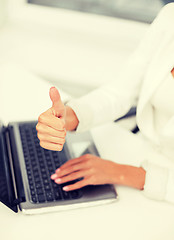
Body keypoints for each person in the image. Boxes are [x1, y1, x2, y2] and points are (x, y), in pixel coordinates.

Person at [36, 3, 174, 203]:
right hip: (144, 153)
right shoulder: (170, 17)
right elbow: (120, 92)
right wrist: (70, 116)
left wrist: (123, 173)